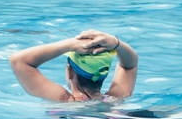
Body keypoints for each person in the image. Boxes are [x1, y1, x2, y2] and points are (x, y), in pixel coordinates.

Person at [9, 30, 138, 102]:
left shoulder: (65, 101)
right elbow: (129, 66)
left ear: (69, 71)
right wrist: (116, 43)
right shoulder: (116, 98)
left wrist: (68, 45)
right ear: (104, 75)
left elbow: (18, 60)